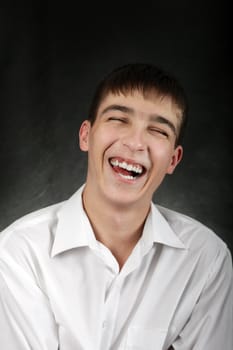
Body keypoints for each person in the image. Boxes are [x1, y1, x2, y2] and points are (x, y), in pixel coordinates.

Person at [0, 63, 232, 350]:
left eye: (158, 130)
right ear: (86, 135)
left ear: (173, 159)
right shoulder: (19, 252)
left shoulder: (206, 259)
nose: (135, 142)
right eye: (119, 119)